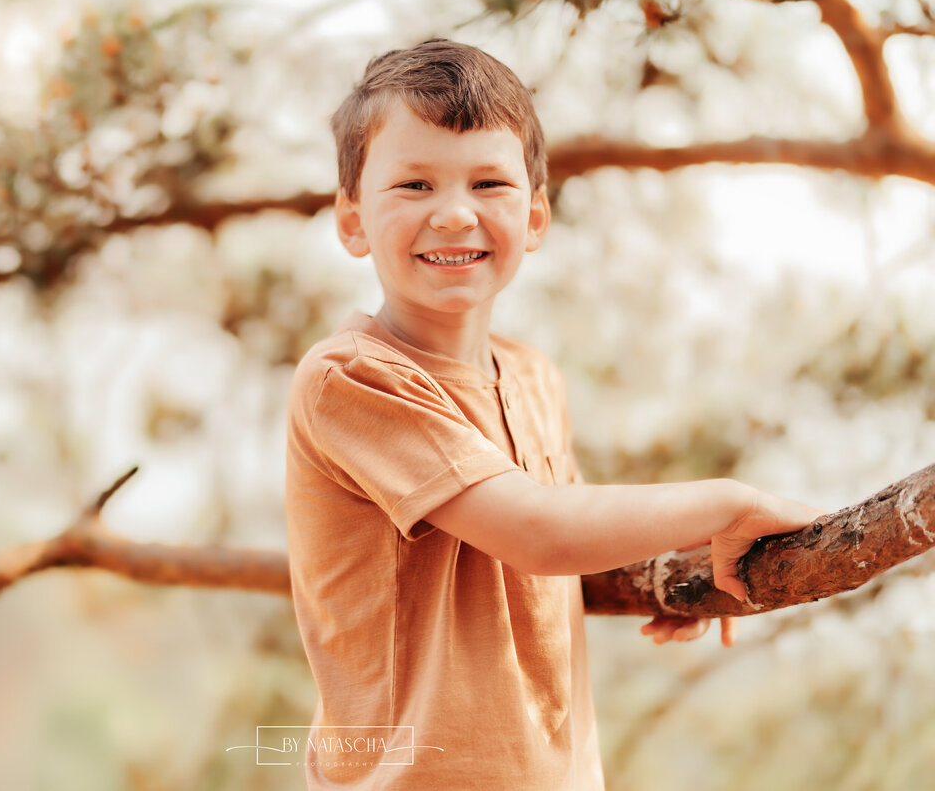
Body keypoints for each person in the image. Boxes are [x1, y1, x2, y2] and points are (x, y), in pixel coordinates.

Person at [284, 38, 821, 789]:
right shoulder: (352, 379)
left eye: (489, 183)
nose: (453, 214)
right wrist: (732, 505)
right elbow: (537, 532)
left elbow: (555, 548)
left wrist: (677, 572)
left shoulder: (533, 377)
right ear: (351, 221)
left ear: (534, 217)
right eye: (412, 185)